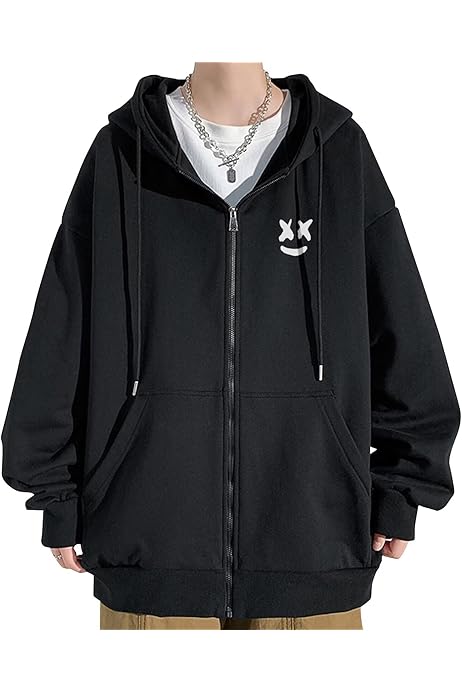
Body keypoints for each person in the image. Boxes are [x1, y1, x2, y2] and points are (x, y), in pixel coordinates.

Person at [1, 63, 459, 631]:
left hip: (314, 551)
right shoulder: (121, 151)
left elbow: (404, 331)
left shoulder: (338, 149)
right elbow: (61, 329)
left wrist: (404, 484)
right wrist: (55, 490)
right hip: (149, 553)